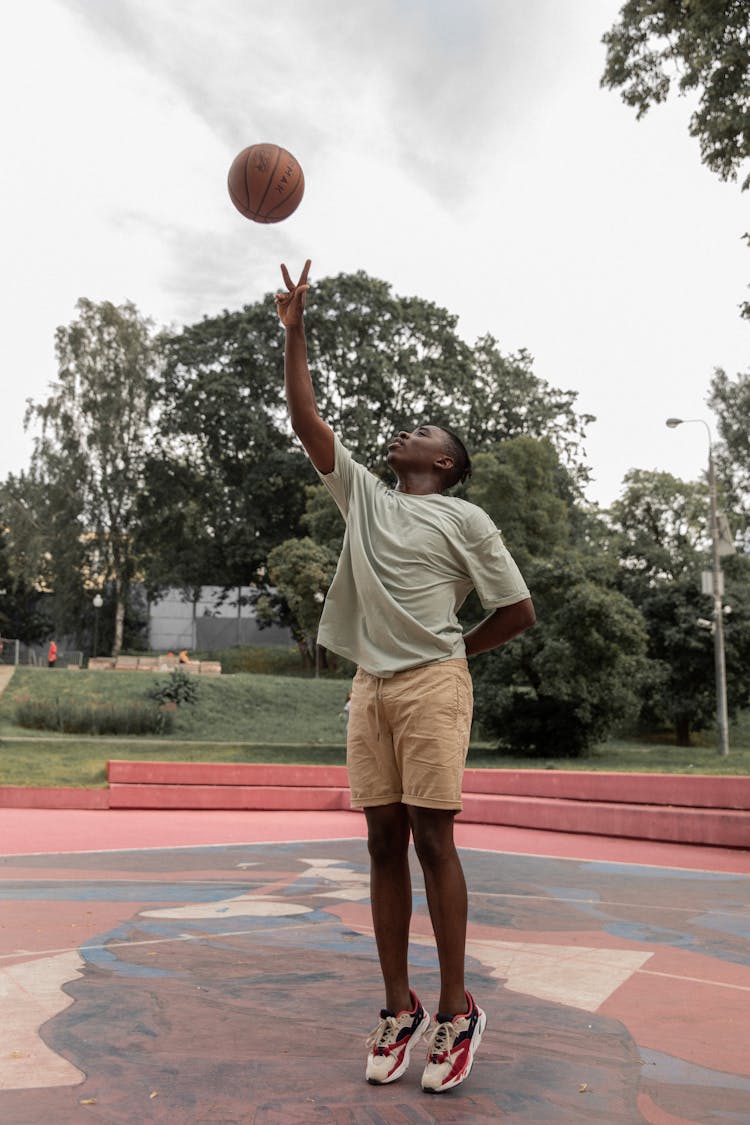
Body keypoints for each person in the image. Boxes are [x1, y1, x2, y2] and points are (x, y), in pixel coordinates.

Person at [275, 260, 535, 1095]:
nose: (404, 434)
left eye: (423, 432)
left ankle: (458, 1011)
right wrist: (295, 332)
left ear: (448, 462)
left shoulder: (465, 518)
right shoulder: (365, 496)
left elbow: (517, 609)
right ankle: (400, 1006)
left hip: (431, 681)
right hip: (370, 687)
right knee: (381, 841)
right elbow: (306, 418)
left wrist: (454, 651)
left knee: (432, 838)